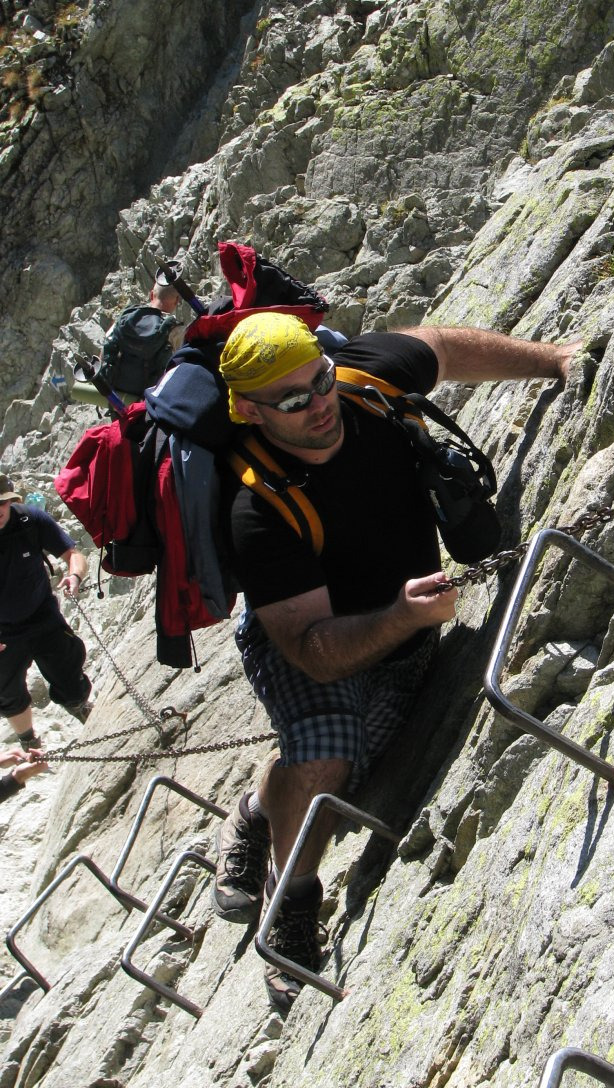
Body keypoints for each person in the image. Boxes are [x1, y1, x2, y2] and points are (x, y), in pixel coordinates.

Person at [213, 313, 577, 1011]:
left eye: (317, 380)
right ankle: (290, 902)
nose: (317, 403)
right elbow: (313, 650)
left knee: (349, 776)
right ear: (249, 410)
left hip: (405, 625)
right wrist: (402, 616)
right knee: (328, 753)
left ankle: (258, 812)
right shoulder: (258, 506)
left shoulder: (361, 382)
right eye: (291, 401)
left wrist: (555, 358)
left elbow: (439, 345)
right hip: (306, 635)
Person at [0, 474, 92, 748]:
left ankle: (77, 706)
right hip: (2, 632)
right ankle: (29, 741)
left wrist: (74, 576)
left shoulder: (30, 521)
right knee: (6, 690)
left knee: (68, 669)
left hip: (42, 615)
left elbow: (73, 554)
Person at [73, 282, 183, 407]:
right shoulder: (174, 330)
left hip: (114, 394)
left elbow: (105, 351)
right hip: (146, 403)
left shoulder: (127, 318)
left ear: (151, 295)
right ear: (176, 301)